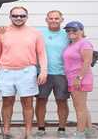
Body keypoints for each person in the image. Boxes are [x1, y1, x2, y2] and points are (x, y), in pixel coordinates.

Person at [0, 6, 47, 139]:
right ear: (10, 17)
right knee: (7, 102)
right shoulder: (1, 32)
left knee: (27, 102)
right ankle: (6, 130)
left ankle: (28, 132)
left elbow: (42, 54)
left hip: (27, 72)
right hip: (6, 72)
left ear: (27, 17)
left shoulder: (35, 33)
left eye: (22, 16)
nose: (19, 18)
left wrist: (44, 71)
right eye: (15, 16)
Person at [35, 10, 70, 138]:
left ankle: (62, 129)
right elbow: (22, 31)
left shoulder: (68, 34)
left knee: (61, 101)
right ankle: (40, 128)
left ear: (62, 19)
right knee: (41, 100)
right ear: (46, 20)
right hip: (43, 73)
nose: (54, 20)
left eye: (56, 18)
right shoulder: (39, 33)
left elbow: (80, 44)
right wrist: (3, 29)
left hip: (62, 74)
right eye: (51, 18)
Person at [62, 21, 94, 139]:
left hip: (80, 79)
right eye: (68, 30)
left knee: (79, 108)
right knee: (83, 107)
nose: (71, 32)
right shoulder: (72, 44)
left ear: (81, 31)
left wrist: (79, 78)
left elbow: (87, 61)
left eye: (74, 30)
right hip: (72, 79)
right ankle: (89, 132)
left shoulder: (84, 43)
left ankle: (80, 133)